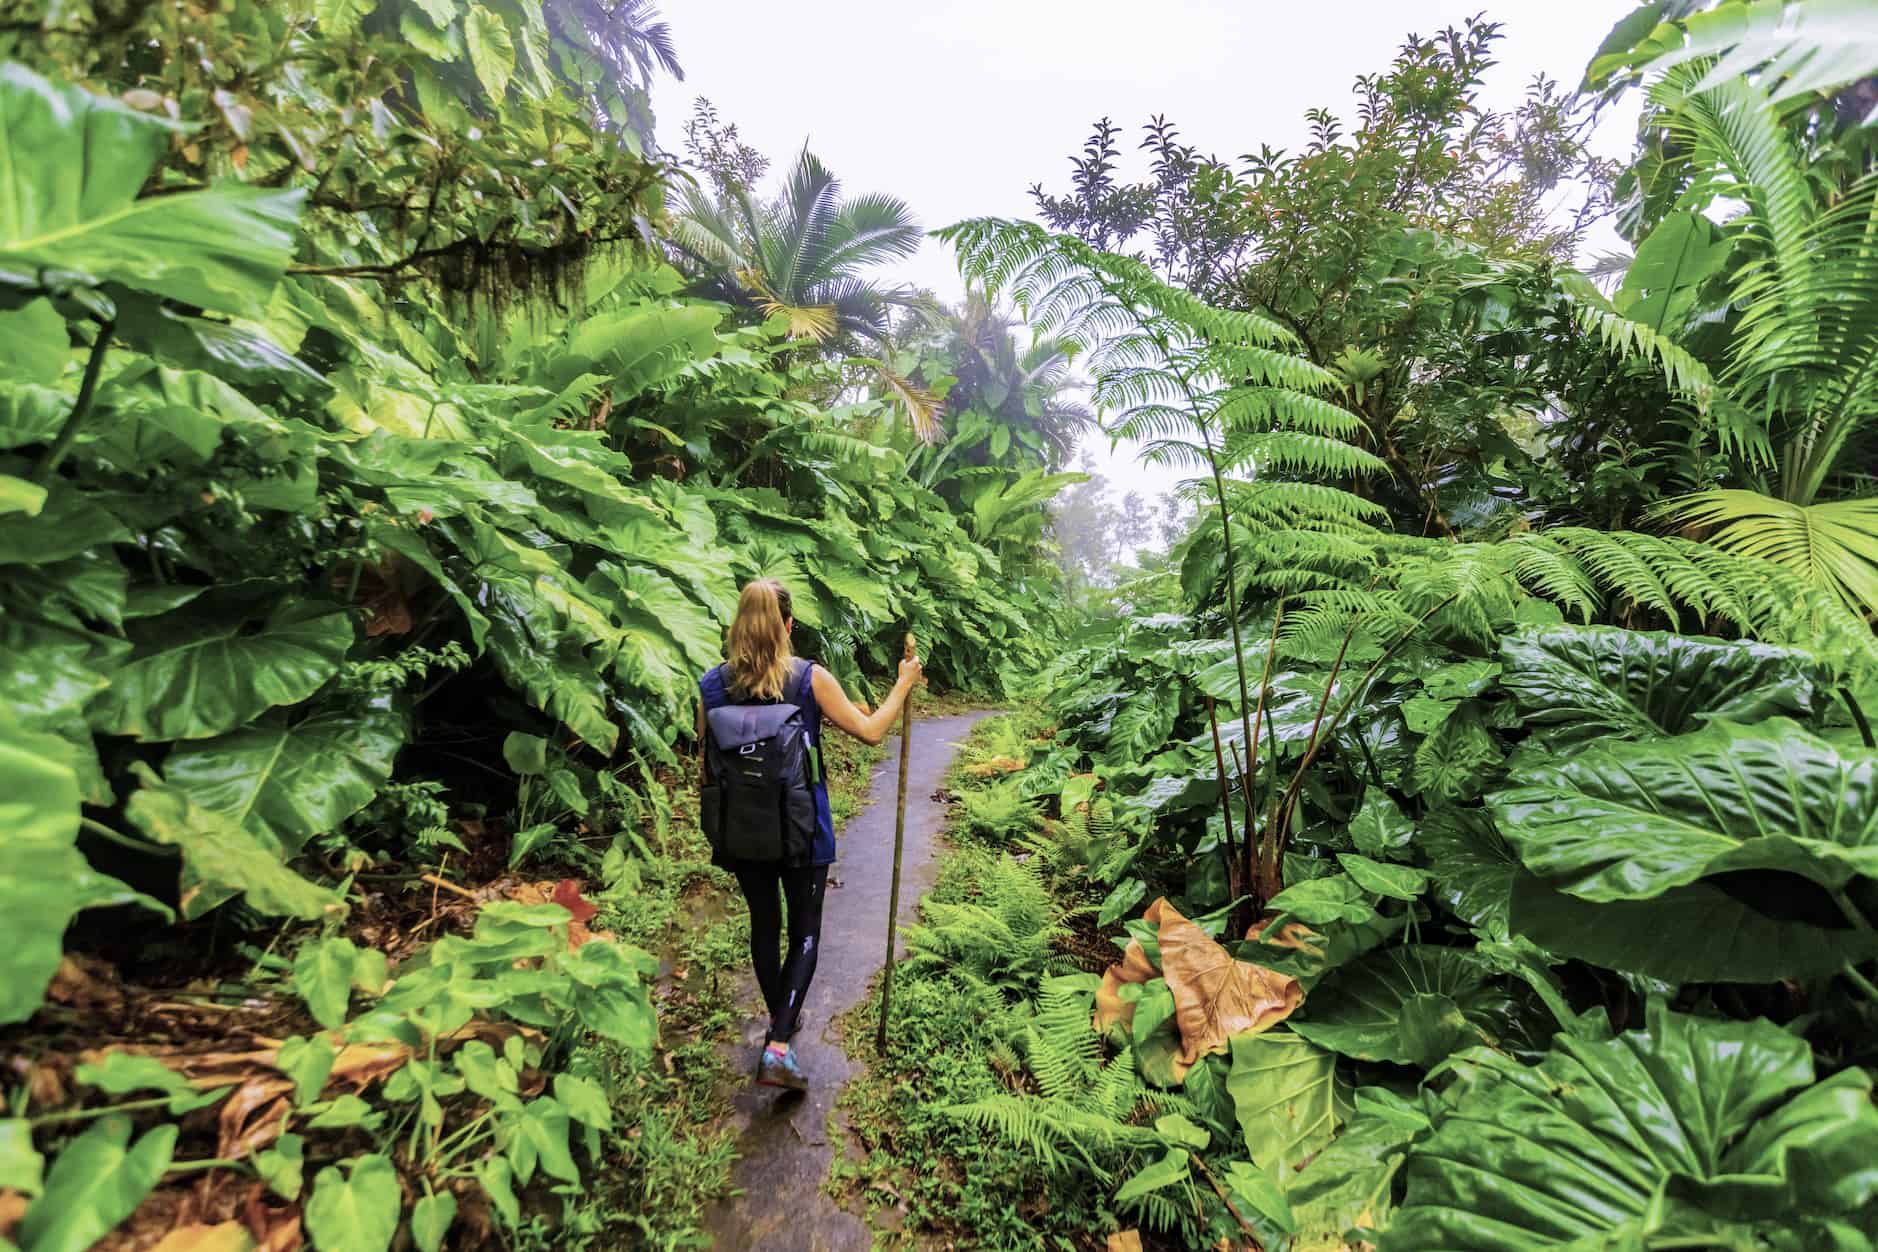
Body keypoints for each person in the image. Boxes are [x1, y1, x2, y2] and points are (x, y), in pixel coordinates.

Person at [696, 579, 922, 1090]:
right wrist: (904, 682)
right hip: (803, 828)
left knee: (763, 926)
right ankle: (778, 1043)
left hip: (740, 831)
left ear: (738, 626)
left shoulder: (711, 686)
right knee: (804, 933)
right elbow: (869, 731)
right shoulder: (808, 679)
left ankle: (781, 1023)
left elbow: (705, 760)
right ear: (788, 627)